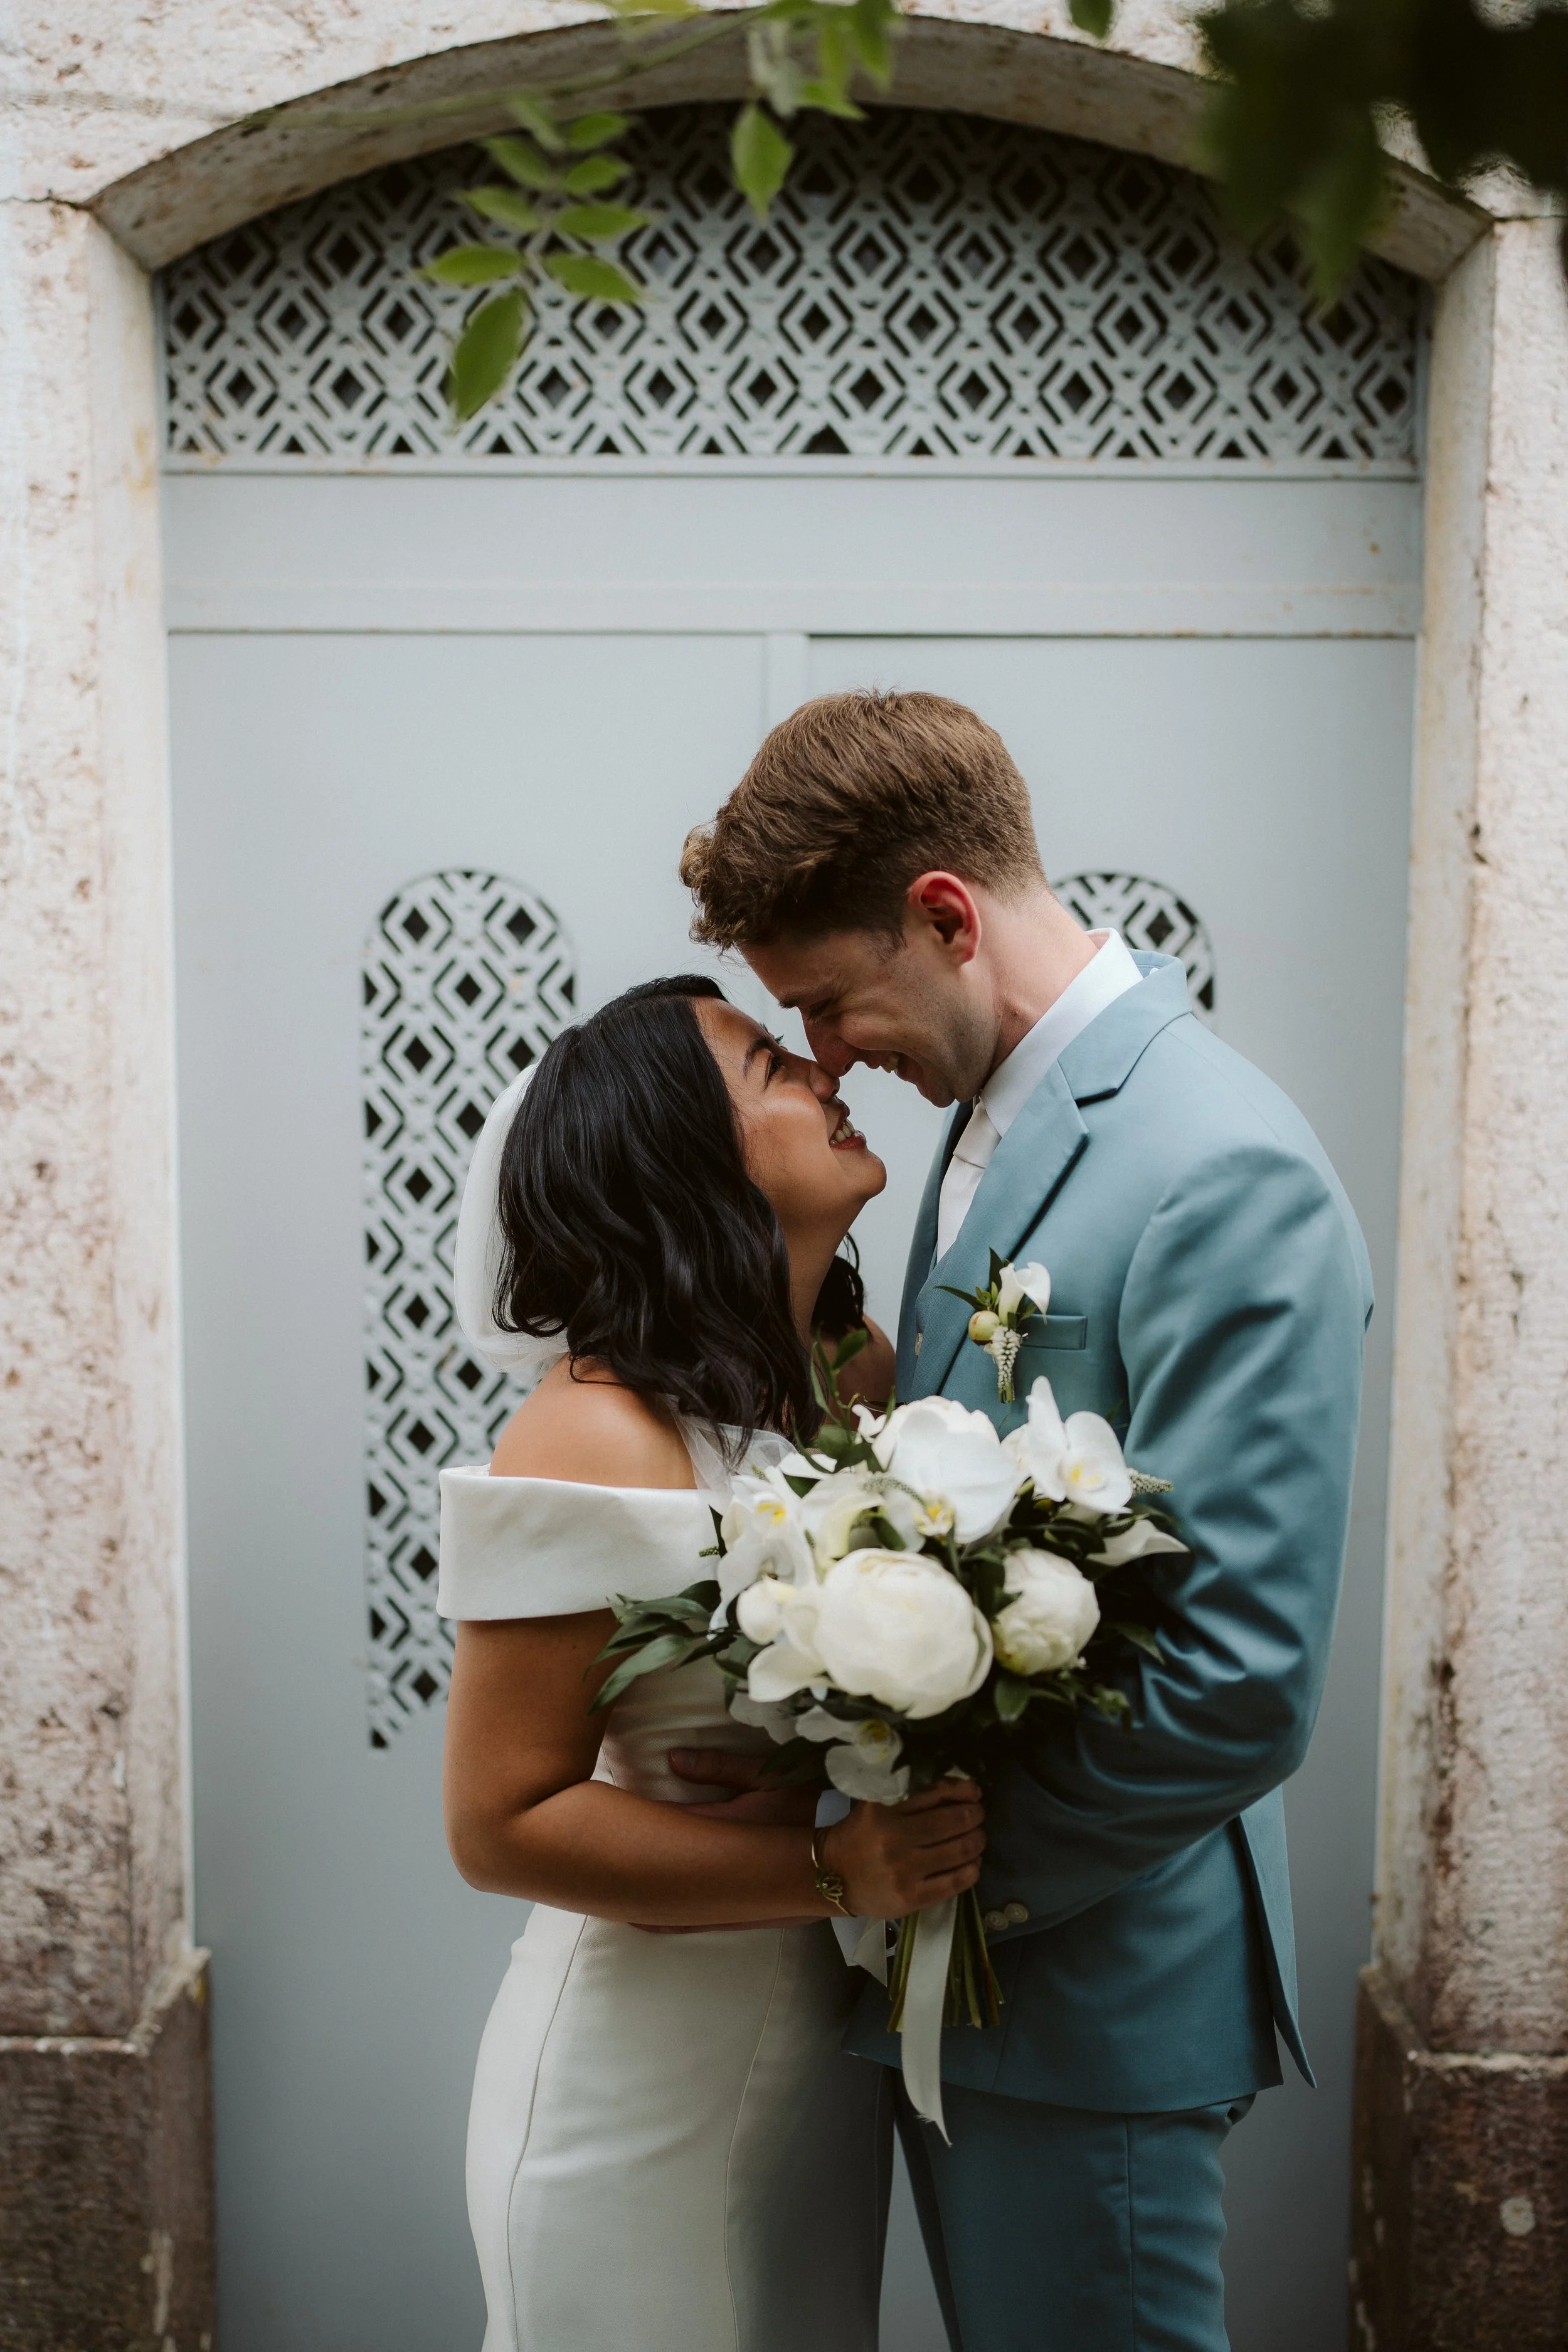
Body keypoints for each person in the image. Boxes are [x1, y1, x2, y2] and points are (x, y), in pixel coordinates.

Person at [675, 690, 1374, 2352]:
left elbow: (1236, 1675)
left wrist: (927, 1882)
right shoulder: (995, 1118)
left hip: (1082, 1979)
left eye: (829, 1003)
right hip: (974, 1998)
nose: (829, 1055)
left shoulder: (1220, 1167)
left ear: (943, 913)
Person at [437, 974, 984, 2352]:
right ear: (686, 1159)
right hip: (638, 2076)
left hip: (811, 2059)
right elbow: (499, 1822)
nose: (822, 1071)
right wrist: (829, 1867)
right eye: (765, 1068)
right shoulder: (594, 1429)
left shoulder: (851, 1374)